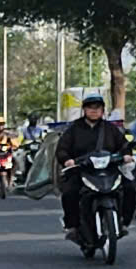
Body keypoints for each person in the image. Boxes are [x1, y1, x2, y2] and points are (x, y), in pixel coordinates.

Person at [52, 94, 131, 243]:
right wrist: (67, 160)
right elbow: (62, 149)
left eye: (97, 107)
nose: (94, 111)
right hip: (82, 171)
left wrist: (126, 155)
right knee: (69, 192)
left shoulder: (111, 129)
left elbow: (124, 145)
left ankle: (123, 222)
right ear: (84, 110)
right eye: (90, 107)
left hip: (109, 170)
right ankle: (72, 227)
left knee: (129, 188)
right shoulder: (74, 129)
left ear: (103, 110)